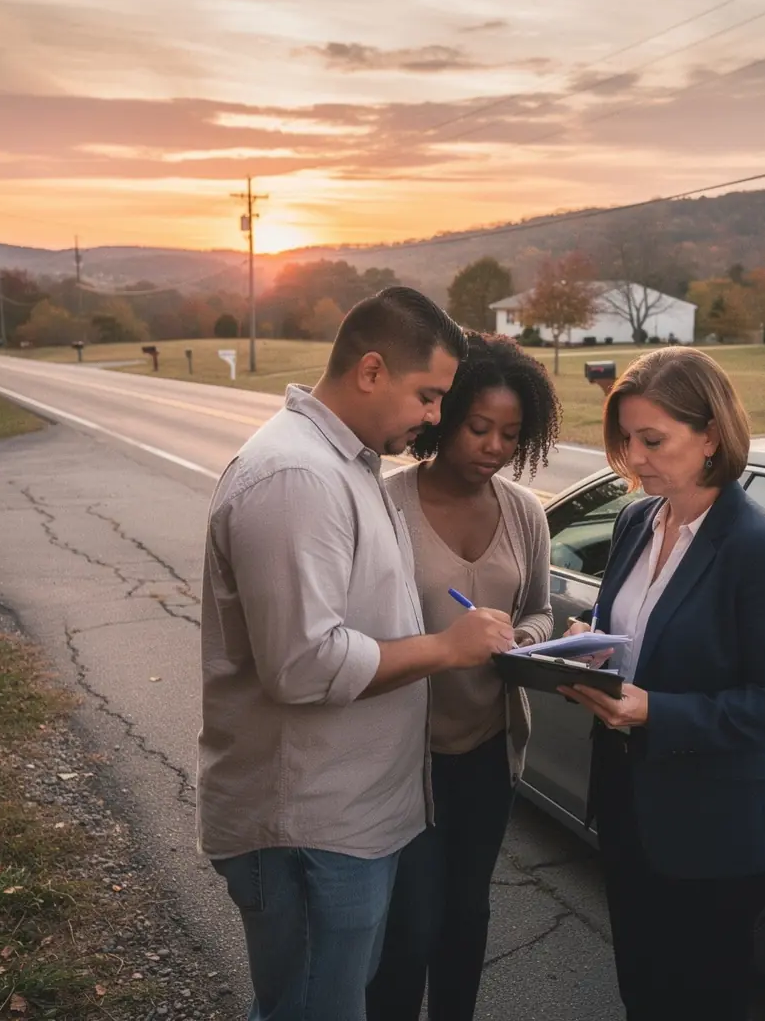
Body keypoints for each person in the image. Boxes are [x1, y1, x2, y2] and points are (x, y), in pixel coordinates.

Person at [197, 289, 516, 1021]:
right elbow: (303, 665)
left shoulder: (347, 463)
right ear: (371, 372)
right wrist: (444, 648)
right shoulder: (296, 477)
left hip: (345, 826)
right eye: (429, 395)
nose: (436, 415)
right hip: (307, 829)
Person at [558, 346, 765, 1021]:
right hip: (626, 804)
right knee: (642, 990)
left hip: (717, 831)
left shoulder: (764, 548)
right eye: (625, 439)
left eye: (652, 440)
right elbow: (639, 632)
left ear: (710, 436)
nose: (634, 458)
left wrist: (657, 712)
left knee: (701, 1000)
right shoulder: (636, 519)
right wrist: (590, 651)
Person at [366, 333, 561, 1021]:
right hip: (402, 755)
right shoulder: (382, 505)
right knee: (408, 926)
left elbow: (537, 607)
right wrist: (446, 643)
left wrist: (523, 638)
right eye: (479, 427)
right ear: (444, 418)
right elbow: (359, 636)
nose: (493, 446)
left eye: (510, 434)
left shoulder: (526, 513)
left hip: (487, 751)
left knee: (465, 914)